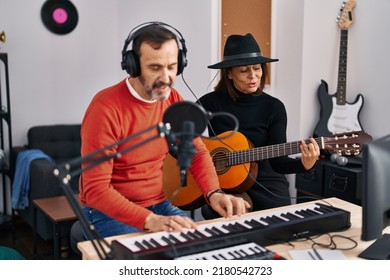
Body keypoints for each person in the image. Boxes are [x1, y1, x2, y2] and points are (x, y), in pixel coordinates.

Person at [79, 22, 250, 239]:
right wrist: (149, 221)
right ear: (133, 66)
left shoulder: (173, 99)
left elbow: (197, 152)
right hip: (107, 212)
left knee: (198, 244)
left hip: (158, 204)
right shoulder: (105, 108)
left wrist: (214, 193)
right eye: (155, 68)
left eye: (172, 67)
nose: (166, 78)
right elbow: (96, 190)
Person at [198, 33, 320, 219]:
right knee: (226, 215)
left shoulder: (274, 107)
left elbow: (279, 163)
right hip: (226, 181)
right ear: (229, 73)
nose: (253, 75)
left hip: (266, 182)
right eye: (244, 70)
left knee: (279, 222)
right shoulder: (209, 103)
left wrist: (304, 164)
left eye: (257, 68)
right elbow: (180, 137)